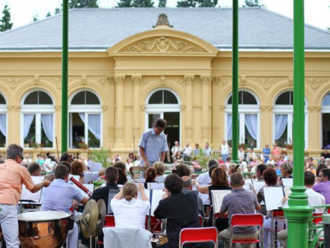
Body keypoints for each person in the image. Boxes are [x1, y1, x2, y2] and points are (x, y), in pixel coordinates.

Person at [0, 144, 51, 248]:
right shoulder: (21, 168)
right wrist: (43, 183)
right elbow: (32, 189)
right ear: (18, 157)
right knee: (12, 243)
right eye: (22, 158)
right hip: (8, 204)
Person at [41, 164, 89, 248]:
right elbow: (86, 202)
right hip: (60, 225)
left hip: (45, 223)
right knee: (74, 227)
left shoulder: (46, 186)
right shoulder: (70, 188)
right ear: (67, 177)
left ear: (54, 176)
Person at [278, 171, 326, 248]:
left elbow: (285, 213)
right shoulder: (321, 197)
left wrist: (284, 201)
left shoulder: (295, 195)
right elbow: (323, 214)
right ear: (314, 182)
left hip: (299, 229)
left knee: (279, 236)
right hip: (317, 230)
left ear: (301, 181)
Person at [154, 174, 200, 248]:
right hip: (195, 241)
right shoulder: (193, 197)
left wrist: (166, 198)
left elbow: (157, 215)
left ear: (167, 188)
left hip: (177, 243)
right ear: (181, 185)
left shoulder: (165, 202)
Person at [218, 173, 261, 248]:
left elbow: (221, 214)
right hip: (253, 234)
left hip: (235, 234)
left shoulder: (227, 197)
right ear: (243, 182)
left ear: (230, 183)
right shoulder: (252, 195)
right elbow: (258, 208)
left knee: (220, 236)